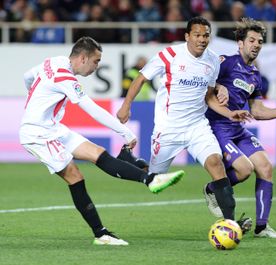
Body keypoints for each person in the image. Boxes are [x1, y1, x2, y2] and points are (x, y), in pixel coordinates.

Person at [19, 36, 185, 246]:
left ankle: (150, 179)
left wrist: (32, 98)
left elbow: (27, 76)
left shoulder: (53, 62)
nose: (97, 67)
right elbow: (93, 110)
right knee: (74, 175)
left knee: (97, 153)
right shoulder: (65, 78)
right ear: (82, 58)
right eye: (96, 61)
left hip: (53, 127)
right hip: (37, 133)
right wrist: (124, 132)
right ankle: (101, 234)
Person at [117, 16, 253, 229]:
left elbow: (208, 97)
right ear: (187, 36)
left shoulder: (212, 61)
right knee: (154, 182)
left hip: (197, 126)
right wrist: (126, 106)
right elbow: (141, 78)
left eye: (206, 35)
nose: (202, 39)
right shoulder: (170, 54)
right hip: (168, 129)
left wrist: (229, 113)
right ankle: (129, 161)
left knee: (216, 164)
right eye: (197, 35)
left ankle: (230, 224)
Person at [204, 17, 276, 238]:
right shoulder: (225, 62)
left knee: (266, 168)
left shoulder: (255, 75)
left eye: (259, 41)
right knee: (244, 169)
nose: (256, 45)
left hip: (239, 129)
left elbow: (257, 111)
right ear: (240, 43)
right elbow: (205, 81)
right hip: (218, 127)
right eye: (252, 40)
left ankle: (262, 227)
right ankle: (212, 189)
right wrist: (220, 85)